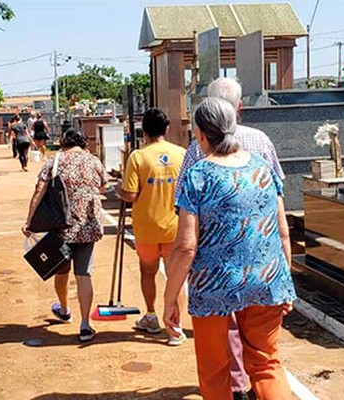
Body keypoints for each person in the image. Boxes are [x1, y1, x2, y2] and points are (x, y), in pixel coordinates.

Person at [164, 97, 296, 400]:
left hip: (214, 286)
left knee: (214, 369)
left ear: (200, 133)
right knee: (266, 363)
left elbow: (185, 247)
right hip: (267, 279)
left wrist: (171, 298)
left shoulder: (198, 175)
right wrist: (285, 283)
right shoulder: (262, 168)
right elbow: (283, 232)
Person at [22, 129, 106, 342]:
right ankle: (86, 324)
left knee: (61, 270)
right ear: (84, 142)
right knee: (84, 273)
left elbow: (39, 189)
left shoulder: (55, 160)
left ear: (63, 142)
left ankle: (65, 309)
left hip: (61, 225)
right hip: (89, 225)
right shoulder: (94, 161)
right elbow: (103, 187)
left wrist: (29, 220)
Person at [117, 108, 187, 346]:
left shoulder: (137, 157)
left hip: (147, 227)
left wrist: (117, 189)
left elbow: (129, 194)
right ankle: (175, 329)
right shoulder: (182, 154)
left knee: (148, 272)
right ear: (166, 129)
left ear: (144, 131)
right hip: (175, 227)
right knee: (174, 277)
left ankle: (151, 315)